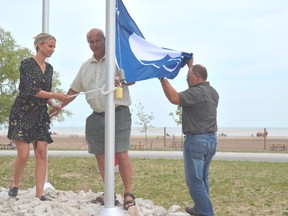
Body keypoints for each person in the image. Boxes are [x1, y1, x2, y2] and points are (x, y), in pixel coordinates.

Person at [57, 28, 135, 210]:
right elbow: (74, 90)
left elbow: (132, 79)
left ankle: (128, 193)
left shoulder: (117, 60)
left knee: (122, 153)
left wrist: (120, 79)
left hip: (119, 113)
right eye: (90, 42)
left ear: (105, 40)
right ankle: (109, 193)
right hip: (96, 116)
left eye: (97, 40)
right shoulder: (85, 66)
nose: (94, 44)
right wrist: (59, 107)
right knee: (100, 155)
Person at [7, 33, 68, 201]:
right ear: (39, 45)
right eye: (50, 46)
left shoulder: (49, 69)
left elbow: (44, 92)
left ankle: (40, 193)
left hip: (40, 114)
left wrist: (53, 103)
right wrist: (55, 94)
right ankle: (15, 184)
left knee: (41, 152)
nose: (53, 50)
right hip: (22, 112)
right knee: (24, 154)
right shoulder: (26, 64)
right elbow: (31, 90)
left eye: (54, 47)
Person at [159, 58, 219, 216]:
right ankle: (199, 209)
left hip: (197, 141)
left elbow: (174, 98)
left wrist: (162, 78)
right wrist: (190, 66)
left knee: (194, 181)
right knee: (202, 178)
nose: (187, 79)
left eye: (188, 77)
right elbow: (193, 87)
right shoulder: (213, 92)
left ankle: (206, 213)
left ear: (198, 77)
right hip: (211, 140)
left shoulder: (196, 93)